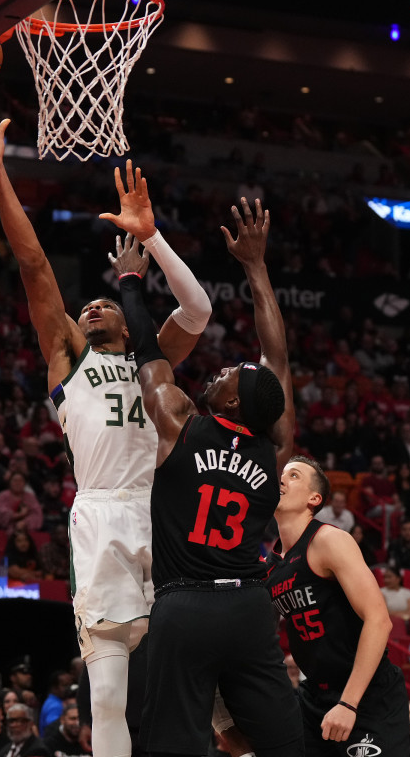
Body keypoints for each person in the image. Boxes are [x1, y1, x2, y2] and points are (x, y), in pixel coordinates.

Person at [0, 105, 210, 757]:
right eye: (85, 304)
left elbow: (197, 309)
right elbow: (34, 263)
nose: (90, 306)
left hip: (161, 511)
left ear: (126, 316)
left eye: (103, 301)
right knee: (108, 691)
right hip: (99, 514)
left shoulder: (154, 359)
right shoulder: (70, 357)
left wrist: (149, 238)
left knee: (193, 675)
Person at [112, 198, 300, 757]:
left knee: (177, 740)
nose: (217, 372)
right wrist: (257, 266)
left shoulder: (178, 424)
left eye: (225, 375)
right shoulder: (275, 447)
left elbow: (146, 349)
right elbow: (279, 357)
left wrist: (129, 280)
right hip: (247, 607)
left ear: (233, 403)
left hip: (184, 606)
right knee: (283, 742)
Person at [261, 456, 409, 757]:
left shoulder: (328, 540)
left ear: (314, 498)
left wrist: (348, 703)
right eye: (282, 474)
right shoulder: (271, 565)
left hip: (366, 694)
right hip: (314, 696)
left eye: (294, 476)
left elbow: (379, 620)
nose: (282, 479)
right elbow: (259, 640)